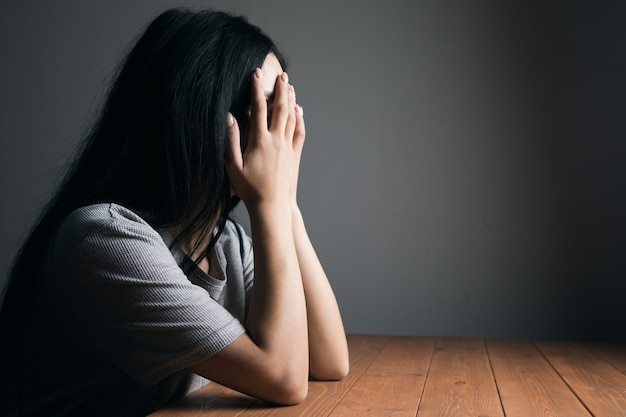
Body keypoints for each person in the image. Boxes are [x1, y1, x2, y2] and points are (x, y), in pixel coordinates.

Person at [0, 8, 349, 416]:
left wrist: (286, 203)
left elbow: (328, 360)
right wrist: (270, 201)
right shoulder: (104, 239)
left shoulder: (227, 244)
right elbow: (283, 378)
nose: (281, 133)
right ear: (209, 112)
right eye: (269, 109)